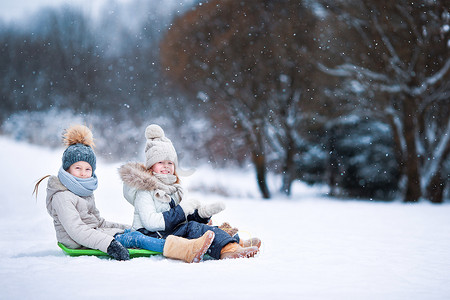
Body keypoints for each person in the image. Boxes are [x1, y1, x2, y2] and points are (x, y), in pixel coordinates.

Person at [33, 124, 215, 263]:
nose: (82, 173)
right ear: (67, 169)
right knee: (137, 238)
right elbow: (77, 231)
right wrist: (108, 244)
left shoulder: (83, 192)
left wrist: (125, 227)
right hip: (77, 241)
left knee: (134, 233)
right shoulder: (63, 196)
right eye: (77, 168)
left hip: (94, 234)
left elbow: (98, 222)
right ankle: (183, 249)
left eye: (87, 169)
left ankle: (198, 241)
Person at [118, 124, 261, 260]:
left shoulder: (175, 189)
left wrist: (201, 214)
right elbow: (150, 222)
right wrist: (181, 210)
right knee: (192, 229)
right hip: (150, 235)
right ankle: (228, 250)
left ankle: (234, 242)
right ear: (151, 166)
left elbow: (182, 218)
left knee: (201, 226)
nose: (166, 166)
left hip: (167, 231)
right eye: (160, 162)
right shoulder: (145, 191)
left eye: (170, 163)